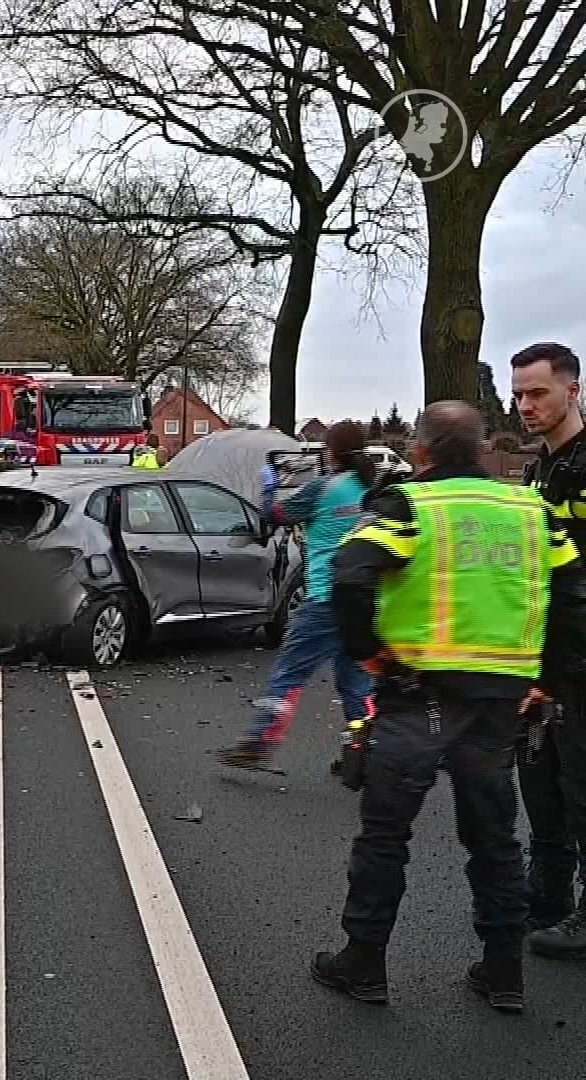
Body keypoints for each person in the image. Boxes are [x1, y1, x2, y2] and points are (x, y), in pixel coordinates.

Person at [311, 401, 586, 1014]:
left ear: (423, 452)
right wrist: (546, 679)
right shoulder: (533, 510)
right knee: (494, 841)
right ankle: (503, 973)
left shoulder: (409, 505)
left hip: (417, 696)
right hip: (498, 703)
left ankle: (364, 965)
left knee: (384, 838)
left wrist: (370, 655)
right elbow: (572, 596)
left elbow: (349, 575)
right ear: (485, 450)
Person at [217, 421, 377, 771]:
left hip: (326, 597)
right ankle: (365, 749)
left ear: (329, 451)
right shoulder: (372, 488)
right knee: (355, 683)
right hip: (367, 601)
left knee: (289, 674)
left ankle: (260, 740)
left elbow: (274, 516)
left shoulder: (322, 489)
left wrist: (268, 489)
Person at [510, 341, 586, 945]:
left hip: (579, 656)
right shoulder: (541, 468)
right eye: (518, 396)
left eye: (537, 393)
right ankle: (547, 894)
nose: (525, 406)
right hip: (544, 652)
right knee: (541, 779)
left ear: (572, 391)